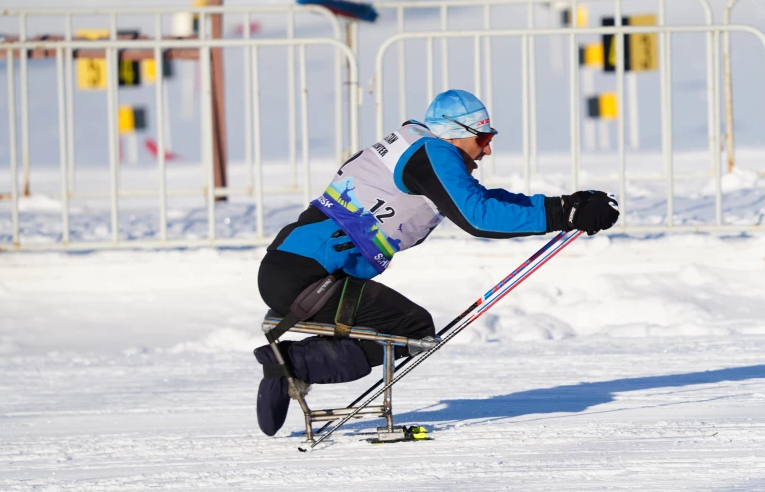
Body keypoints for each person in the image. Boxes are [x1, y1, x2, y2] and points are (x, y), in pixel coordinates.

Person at [253, 89, 619, 436]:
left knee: (411, 327)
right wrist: (565, 216)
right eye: (483, 139)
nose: (487, 150)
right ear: (457, 133)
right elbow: (478, 216)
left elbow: (482, 199)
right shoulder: (432, 153)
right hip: (308, 274)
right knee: (410, 329)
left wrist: (565, 205)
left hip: (296, 268)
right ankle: (291, 365)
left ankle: (290, 365)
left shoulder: (418, 149)